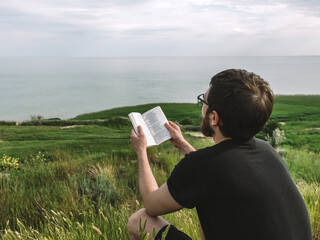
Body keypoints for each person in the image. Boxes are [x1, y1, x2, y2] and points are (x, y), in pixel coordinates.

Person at [127, 69, 312, 240]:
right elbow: (217, 171)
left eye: (204, 102)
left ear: (214, 118)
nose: (202, 107)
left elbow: (151, 204)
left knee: (139, 220)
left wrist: (141, 151)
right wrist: (184, 146)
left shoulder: (202, 166)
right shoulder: (267, 151)